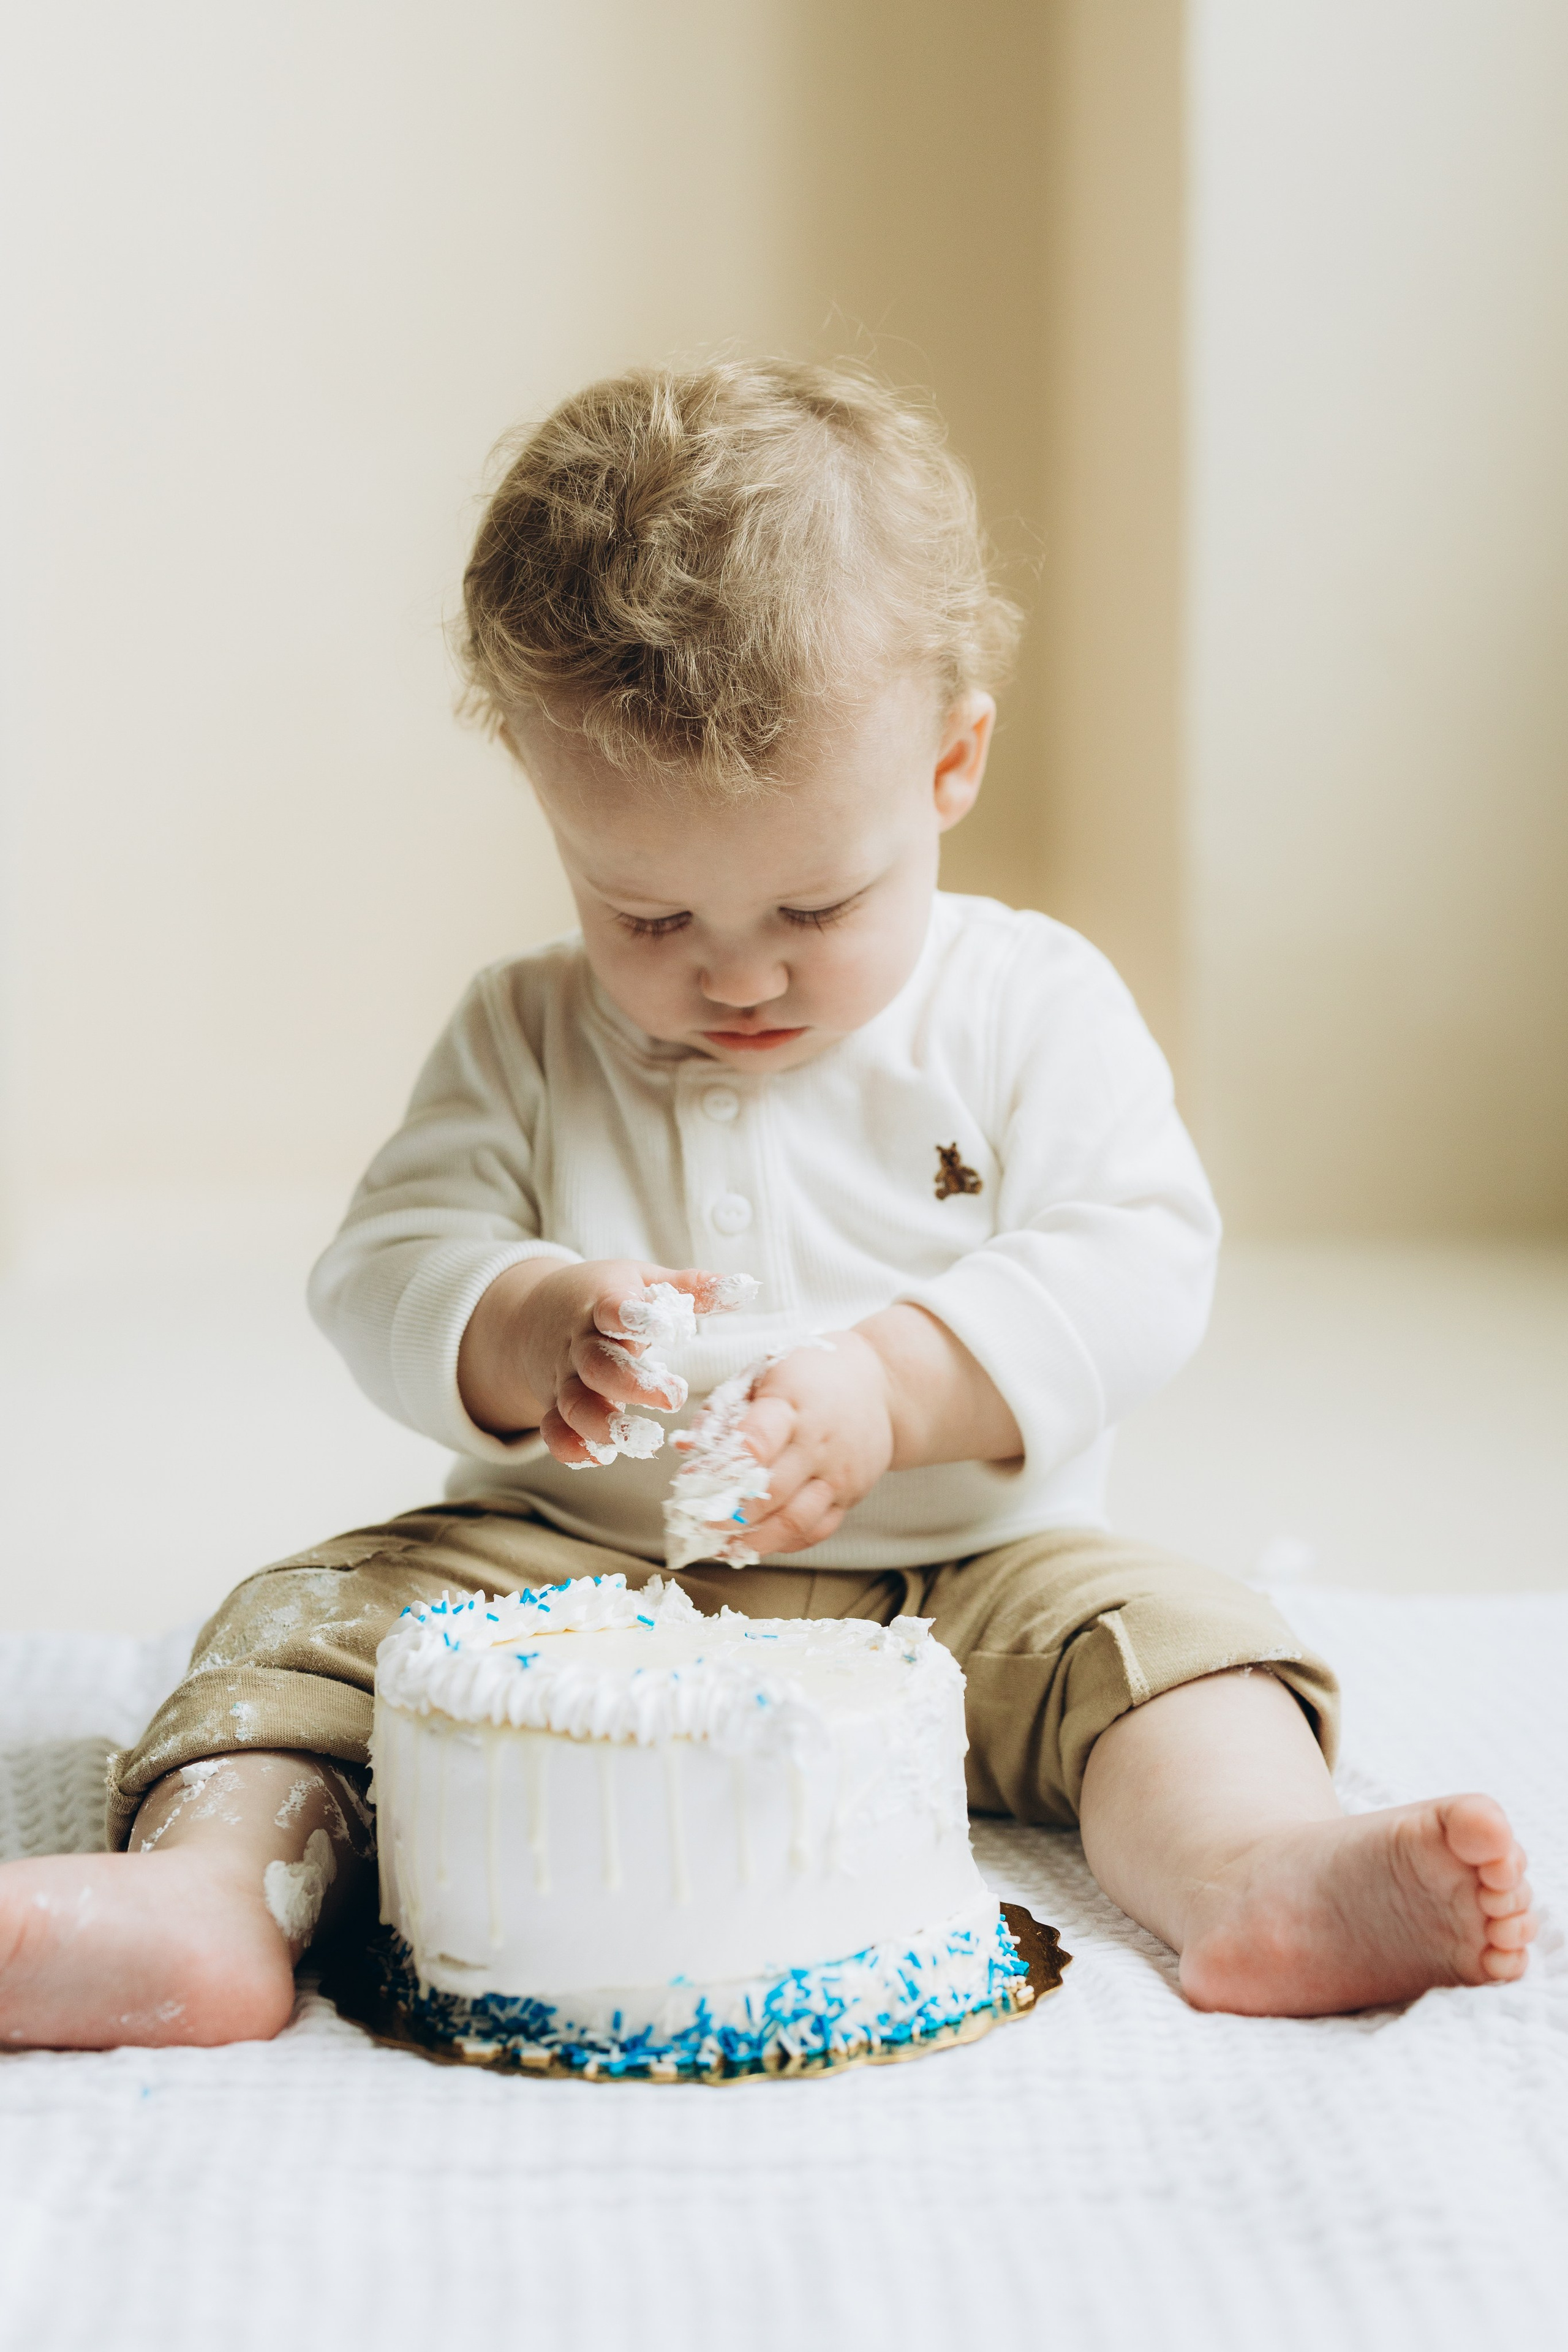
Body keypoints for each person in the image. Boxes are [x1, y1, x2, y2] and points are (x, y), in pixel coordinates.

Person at [0, 360, 1536, 2049]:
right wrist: (519, 1323)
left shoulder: (1029, 1007)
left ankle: (1257, 1872)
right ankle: (215, 1899)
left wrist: (900, 1383)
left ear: (951, 762)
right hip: (561, 1573)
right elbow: (385, 1265)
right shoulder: (520, 1034)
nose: (734, 975)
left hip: (968, 1574)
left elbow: (1140, 1254)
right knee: (304, 1625)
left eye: (814, 901)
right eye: (643, 915)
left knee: (1181, 1649)